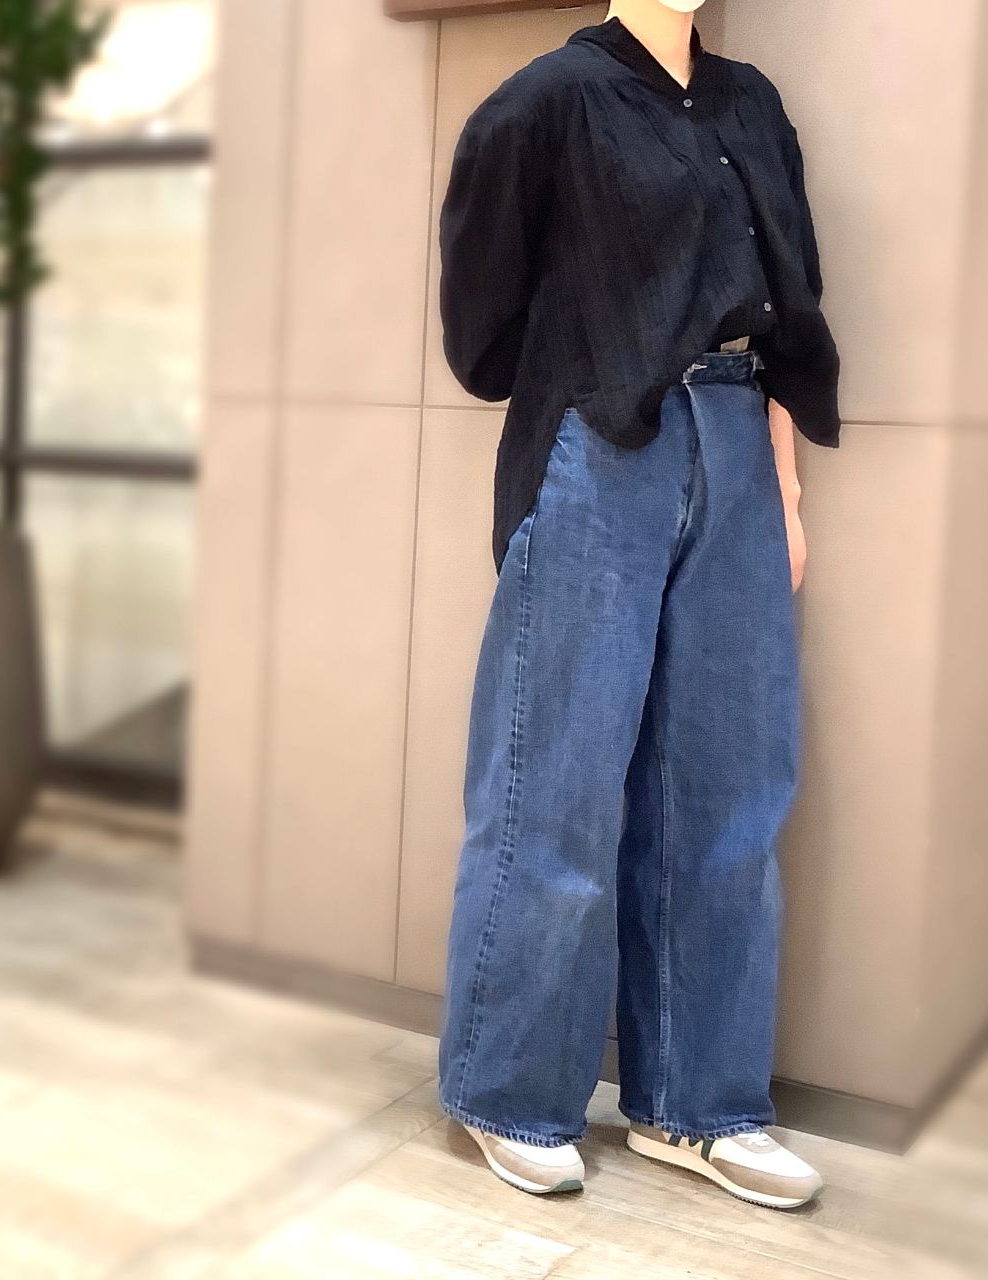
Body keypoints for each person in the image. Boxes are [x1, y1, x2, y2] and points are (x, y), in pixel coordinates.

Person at [436, 0, 841, 1211]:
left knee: (730, 788)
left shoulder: (751, 105)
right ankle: (506, 1089)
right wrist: (600, 356)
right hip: (595, 442)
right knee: (551, 779)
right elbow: (480, 338)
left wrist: (782, 490)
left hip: (738, 443)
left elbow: (789, 312)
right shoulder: (541, 104)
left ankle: (697, 1106)